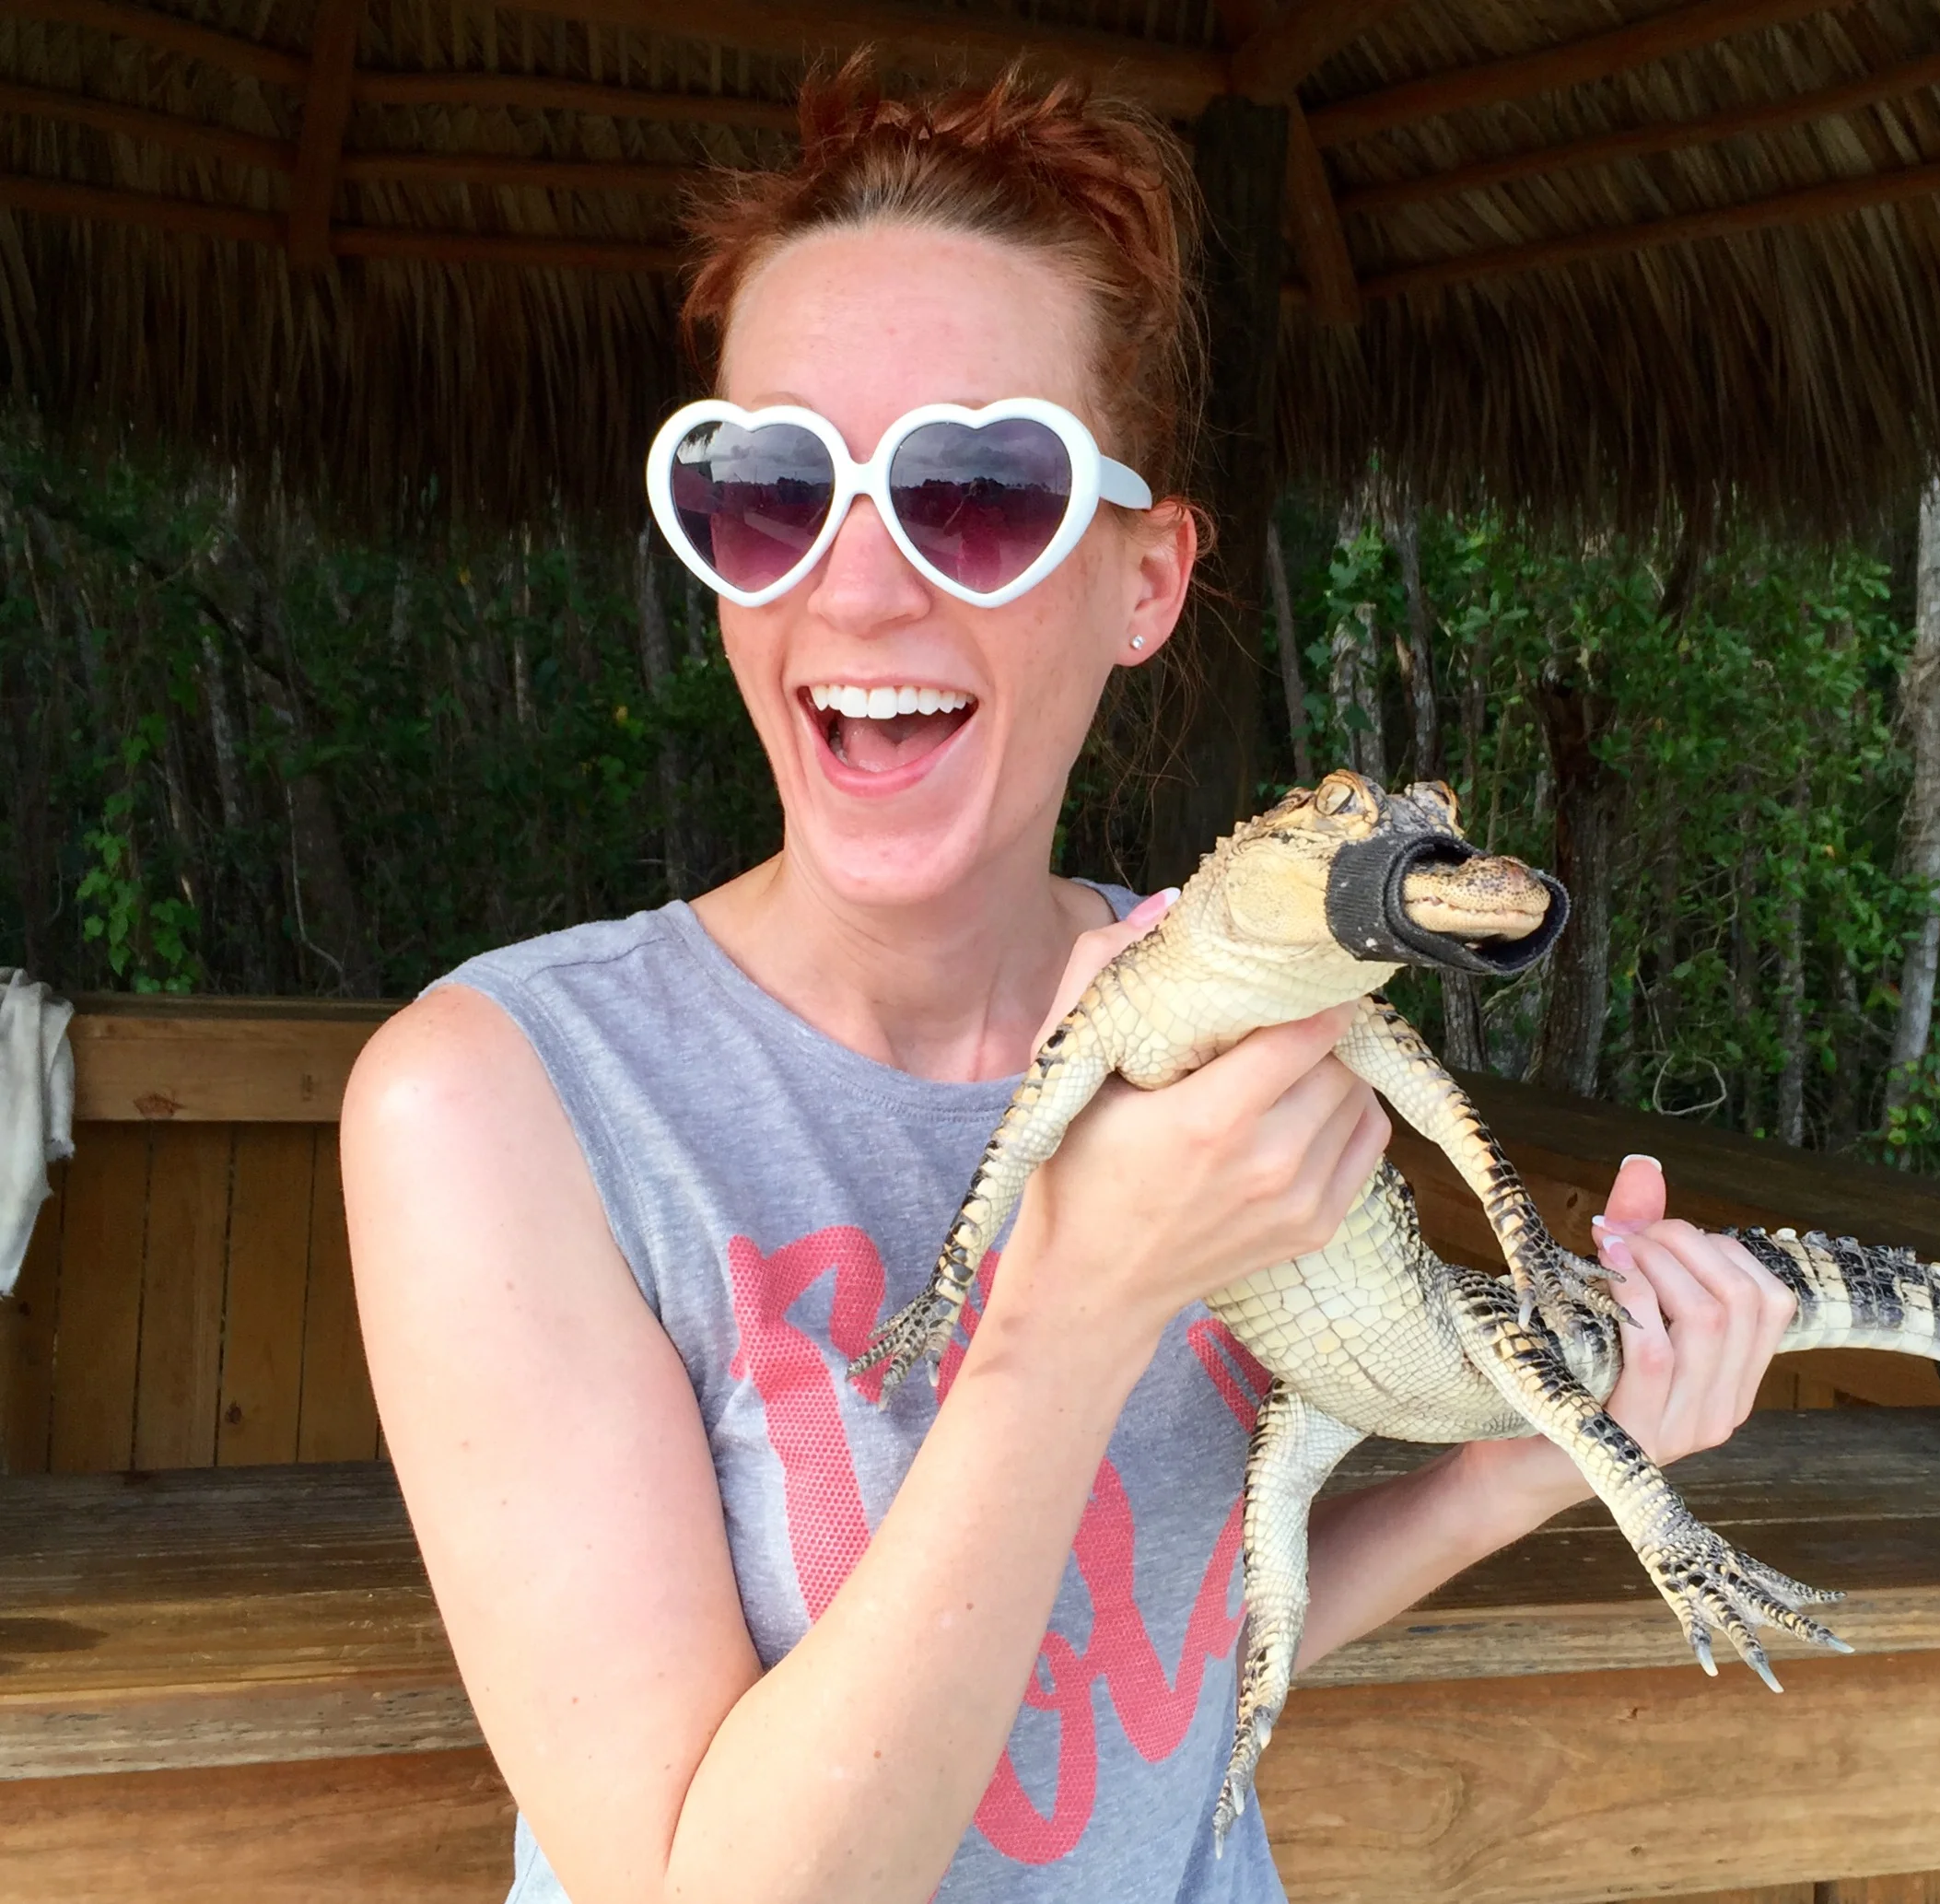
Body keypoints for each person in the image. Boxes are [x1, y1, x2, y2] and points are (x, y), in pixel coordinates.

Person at [343, 62, 1798, 1904]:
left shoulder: (1240, 1013)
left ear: (1144, 580)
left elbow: (1147, 1658)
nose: (855, 589)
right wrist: (1078, 1300)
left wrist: (1526, 1467)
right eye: (770, 487)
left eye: (973, 491)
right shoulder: (498, 1099)